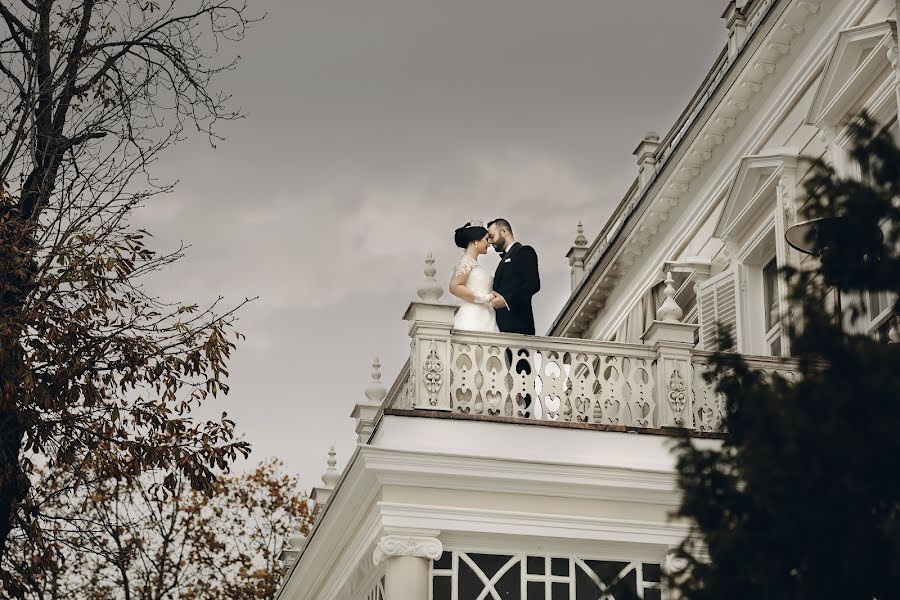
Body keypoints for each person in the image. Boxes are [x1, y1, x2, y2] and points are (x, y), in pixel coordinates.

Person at [487, 218, 540, 335]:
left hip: (519, 328)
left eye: (492, 236)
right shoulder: (503, 260)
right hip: (501, 329)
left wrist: (506, 301)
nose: (490, 242)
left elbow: (533, 284)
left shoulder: (524, 251)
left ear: (504, 231)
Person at [449, 220, 501, 333]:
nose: (489, 244)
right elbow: (455, 287)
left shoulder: (473, 263)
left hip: (486, 317)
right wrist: (484, 298)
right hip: (472, 317)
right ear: (476, 240)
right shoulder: (466, 262)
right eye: (486, 239)